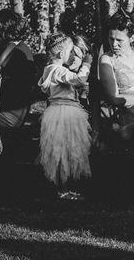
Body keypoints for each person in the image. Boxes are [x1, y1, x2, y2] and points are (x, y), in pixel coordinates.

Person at [37, 33, 93, 200]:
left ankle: (65, 187)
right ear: (61, 55)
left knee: (62, 150)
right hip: (65, 113)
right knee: (67, 150)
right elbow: (78, 79)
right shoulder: (58, 70)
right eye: (70, 52)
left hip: (56, 110)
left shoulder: (49, 70)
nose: (72, 56)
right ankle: (65, 189)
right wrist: (87, 65)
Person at [0, 9, 37, 129]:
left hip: (9, 112)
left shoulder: (14, 52)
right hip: (16, 110)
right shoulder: (19, 47)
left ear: (1, 27)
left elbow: (3, 85)